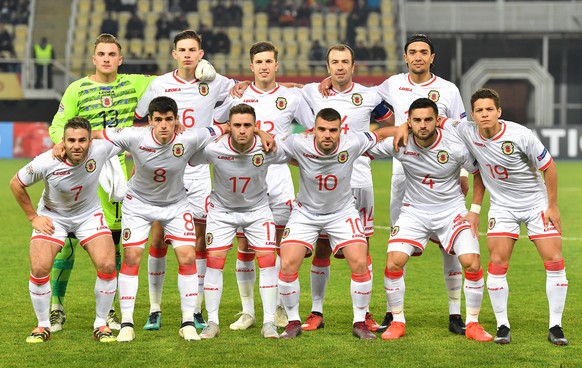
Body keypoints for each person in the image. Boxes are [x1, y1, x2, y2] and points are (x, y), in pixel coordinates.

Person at [437, 88, 569, 345]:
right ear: (472, 115)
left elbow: (549, 167)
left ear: (499, 112)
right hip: (502, 207)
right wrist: (401, 128)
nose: (484, 115)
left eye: (489, 110)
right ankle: (502, 326)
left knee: (554, 260)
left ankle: (556, 325)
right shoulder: (465, 129)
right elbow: (433, 118)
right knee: (497, 264)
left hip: (536, 205)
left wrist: (552, 206)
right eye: (479, 111)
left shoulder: (521, 135)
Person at [46, 33, 156, 333]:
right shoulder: (77, 89)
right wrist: (60, 143)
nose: (107, 58)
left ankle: (109, 312)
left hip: (116, 172)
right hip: (80, 172)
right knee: (66, 244)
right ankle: (56, 306)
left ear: (120, 59)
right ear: (94, 58)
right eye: (101, 54)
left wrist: (207, 72)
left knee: (114, 245)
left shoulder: (134, 83)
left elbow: (172, 81)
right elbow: (58, 124)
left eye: (112, 54)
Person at [98, 96, 227, 342]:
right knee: (132, 257)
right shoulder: (135, 136)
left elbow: (226, 127)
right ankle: (127, 323)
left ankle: (187, 321)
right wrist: (63, 140)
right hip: (138, 205)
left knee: (188, 256)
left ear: (176, 120)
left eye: (169, 119)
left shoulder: (190, 137)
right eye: (158, 120)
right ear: (150, 121)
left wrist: (261, 134)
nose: (164, 125)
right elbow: (97, 134)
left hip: (176, 205)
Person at [366, 98, 492, 342]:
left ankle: (473, 323)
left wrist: (474, 210)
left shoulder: (454, 145)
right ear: (409, 122)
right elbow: (364, 148)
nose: (422, 125)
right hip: (414, 212)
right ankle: (398, 320)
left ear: (437, 120)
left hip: (452, 211)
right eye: (417, 120)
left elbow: (479, 173)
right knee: (394, 262)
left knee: (472, 263)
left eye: (427, 119)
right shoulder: (400, 143)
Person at [134, 30, 234, 332]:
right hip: (165, 169)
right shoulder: (159, 84)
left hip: (200, 170)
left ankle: (197, 307)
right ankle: (155, 308)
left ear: (201, 54)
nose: (188, 54)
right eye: (182, 49)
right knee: (157, 239)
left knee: (199, 241)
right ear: (174, 53)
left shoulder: (215, 82)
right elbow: (140, 118)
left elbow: (246, 88)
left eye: (193, 49)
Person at [213, 41, 314, 331]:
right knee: (245, 246)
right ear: (252, 66)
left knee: (280, 245)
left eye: (269, 61)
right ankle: (248, 312)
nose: (264, 66)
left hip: (279, 177)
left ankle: (280, 307)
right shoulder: (238, 98)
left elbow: (310, 129)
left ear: (276, 65)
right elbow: (218, 123)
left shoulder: (291, 97)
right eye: (259, 62)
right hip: (244, 179)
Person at [375, 34, 468, 334]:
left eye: (423, 52)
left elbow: (463, 128)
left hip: (444, 170)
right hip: (404, 169)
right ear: (405, 57)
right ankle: (393, 312)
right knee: (396, 243)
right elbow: (361, 100)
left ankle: (455, 313)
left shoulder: (448, 89)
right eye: (412, 52)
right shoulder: (392, 84)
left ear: (432, 57)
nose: (418, 57)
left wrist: (464, 174)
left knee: (450, 246)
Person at [276, 108, 395, 340]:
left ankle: (359, 321)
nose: (327, 135)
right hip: (306, 213)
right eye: (322, 129)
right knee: (288, 262)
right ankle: (292, 322)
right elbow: (271, 144)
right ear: (313, 130)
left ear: (341, 130)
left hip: (342, 212)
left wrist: (404, 128)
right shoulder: (298, 143)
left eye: (333, 130)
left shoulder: (352, 142)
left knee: (360, 261)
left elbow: (380, 134)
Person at [299, 44, 392, 332]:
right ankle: (316, 311)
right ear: (327, 67)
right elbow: (284, 87)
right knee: (322, 245)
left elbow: (390, 123)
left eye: (345, 62)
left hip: (359, 180)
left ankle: (363, 314)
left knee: (362, 248)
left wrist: (370, 148)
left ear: (354, 66)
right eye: (334, 62)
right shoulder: (312, 92)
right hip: (323, 182)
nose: (340, 67)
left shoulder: (370, 95)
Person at [10, 117, 120, 343]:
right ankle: (42, 326)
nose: (76, 145)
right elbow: (16, 183)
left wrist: (98, 134)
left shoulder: (100, 149)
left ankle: (101, 324)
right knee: (39, 267)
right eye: (71, 140)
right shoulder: (47, 161)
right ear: (63, 141)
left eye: (82, 140)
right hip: (53, 217)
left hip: (89, 215)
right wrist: (33, 217)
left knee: (108, 264)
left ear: (90, 140)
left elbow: (131, 135)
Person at [189, 103, 286, 339]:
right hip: (221, 212)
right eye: (237, 126)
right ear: (229, 127)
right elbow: (189, 158)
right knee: (214, 262)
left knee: (268, 261)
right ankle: (212, 322)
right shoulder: (214, 150)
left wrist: (265, 135)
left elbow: (297, 156)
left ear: (255, 127)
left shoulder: (267, 149)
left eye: (247, 126)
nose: (242, 130)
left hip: (257, 211)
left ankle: (269, 323)